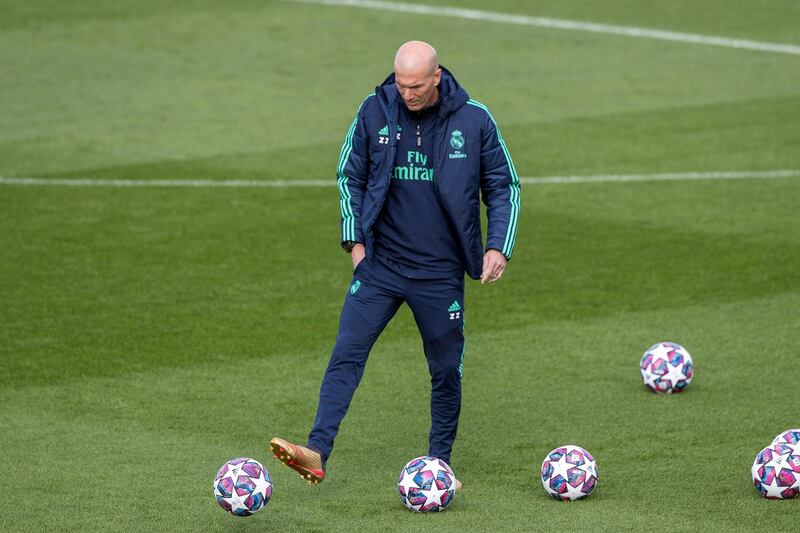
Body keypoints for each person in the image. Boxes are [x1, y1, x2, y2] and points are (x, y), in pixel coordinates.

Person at [270, 41, 520, 488]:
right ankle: (316, 451)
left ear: (437, 76)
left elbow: (503, 186)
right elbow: (351, 175)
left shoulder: (474, 118)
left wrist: (498, 245)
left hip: (440, 273)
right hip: (382, 266)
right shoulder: (375, 110)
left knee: (445, 371)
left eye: (417, 86)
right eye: (401, 85)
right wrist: (356, 245)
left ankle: (439, 465)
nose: (407, 94)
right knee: (346, 353)